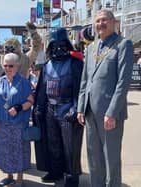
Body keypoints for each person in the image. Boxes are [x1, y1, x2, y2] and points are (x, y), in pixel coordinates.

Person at [77, 9, 134, 187]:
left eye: (104, 20)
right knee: (94, 158)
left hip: (110, 114)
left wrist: (112, 112)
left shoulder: (123, 44)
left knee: (111, 159)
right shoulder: (91, 48)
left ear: (113, 22)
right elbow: (85, 80)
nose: (100, 24)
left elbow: (123, 83)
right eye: (97, 21)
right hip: (89, 112)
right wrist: (80, 107)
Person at [33, 27, 84, 187]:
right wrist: (39, 107)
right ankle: (56, 171)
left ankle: (71, 176)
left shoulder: (76, 64)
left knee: (71, 147)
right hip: (50, 109)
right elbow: (41, 89)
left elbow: (81, 88)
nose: (58, 48)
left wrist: (75, 107)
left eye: (62, 44)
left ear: (67, 44)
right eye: (54, 45)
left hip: (68, 108)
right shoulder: (47, 65)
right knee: (52, 144)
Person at [0, 53, 34, 187]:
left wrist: (19, 107)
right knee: (5, 151)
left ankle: (19, 179)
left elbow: (30, 101)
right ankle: (9, 176)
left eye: (11, 66)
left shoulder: (24, 82)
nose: (8, 68)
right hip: (2, 124)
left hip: (18, 124)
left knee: (18, 151)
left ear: (17, 66)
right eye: (5, 65)